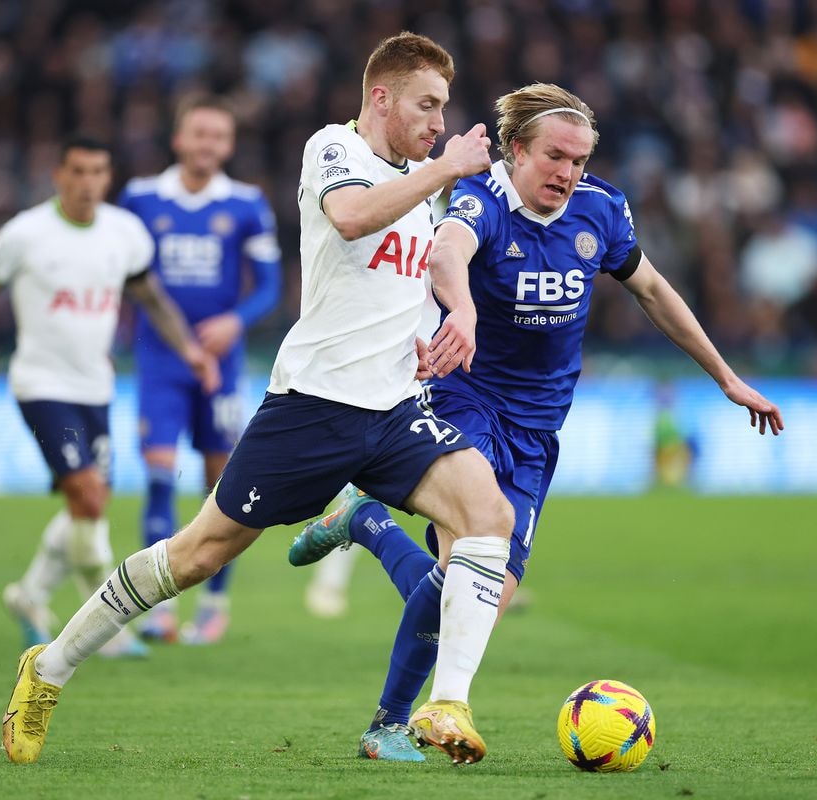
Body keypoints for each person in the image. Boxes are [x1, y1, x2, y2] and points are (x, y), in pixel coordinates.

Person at [1, 32, 515, 767]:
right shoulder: (333, 150)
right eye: (426, 105)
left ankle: (447, 703)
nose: (439, 122)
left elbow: (430, 258)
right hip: (314, 406)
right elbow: (353, 218)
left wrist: (456, 312)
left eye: (442, 109)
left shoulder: (420, 179)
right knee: (196, 556)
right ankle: (47, 669)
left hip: (400, 408)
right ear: (381, 97)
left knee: (486, 516)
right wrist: (444, 168)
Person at [287, 82, 784, 761]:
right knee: (466, 555)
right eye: (555, 156)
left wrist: (726, 377)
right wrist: (460, 311)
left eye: (578, 160)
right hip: (464, 399)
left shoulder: (601, 210)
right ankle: (398, 721)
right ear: (517, 149)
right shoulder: (482, 199)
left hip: (538, 428)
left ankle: (364, 523)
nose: (567, 172)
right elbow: (445, 253)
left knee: (475, 594)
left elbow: (653, 291)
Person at [0, 134, 219, 660]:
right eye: (78, 171)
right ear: (59, 176)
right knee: (90, 497)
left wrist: (189, 349)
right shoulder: (25, 235)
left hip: (96, 388)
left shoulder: (124, 234)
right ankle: (107, 625)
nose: (88, 182)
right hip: (41, 386)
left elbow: (151, 298)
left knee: (85, 504)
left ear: (108, 177)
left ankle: (29, 596)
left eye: (98, 171)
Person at [119, 95, 283, 645]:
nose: (208, 144)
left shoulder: (246, 204)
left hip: (221, 363)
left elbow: (269, 288)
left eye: (218, 136)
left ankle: (214, 603)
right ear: (178, 139)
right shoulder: (140, 199)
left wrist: (235, 322)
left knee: (223, 487)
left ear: (229, 145)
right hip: (160, 360)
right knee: (160, 477)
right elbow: (123, 275)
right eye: (199, 134)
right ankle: (160, 608)